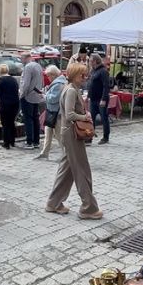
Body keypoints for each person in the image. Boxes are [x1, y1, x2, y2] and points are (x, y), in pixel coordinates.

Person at [45, 62, 102, 219]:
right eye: (82, 75)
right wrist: (85, 116)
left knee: (67, 170)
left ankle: (53, 202)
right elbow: (69, 115)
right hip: (71, 134)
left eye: (85, 74)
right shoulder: (70, 90)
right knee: (82, 170)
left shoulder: (71, 88)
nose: (85, 77)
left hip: (69, 133)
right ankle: (88, 207)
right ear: (74, 75)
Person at [36, 65, 66, 160]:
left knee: (58, 135)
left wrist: (44, 95)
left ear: (53, 75)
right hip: (52, 112)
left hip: (56, 113)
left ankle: (66, 154)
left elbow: (53, 99)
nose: (48, 78)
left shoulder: (58, 84)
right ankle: (44, 153)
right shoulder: (57, 83)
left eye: (48, 75)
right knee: (48, 133)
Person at [19, 52, 45, 149]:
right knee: (35, 118)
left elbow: (25, 83)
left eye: (21, 58)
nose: (21, 60)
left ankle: (29, 141)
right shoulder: (38, 66)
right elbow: (41, 81)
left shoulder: (28, 67)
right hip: (36, 95)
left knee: (28, 119)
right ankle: (36, 141)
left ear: (26, 58)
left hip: (28, 96)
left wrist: (22, 95)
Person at [87, 54, 111, 145]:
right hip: (93, 99)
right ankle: (89, 137)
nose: (89, 62)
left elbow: (106, 86)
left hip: (101, 98)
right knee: (91, 119)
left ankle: (105, 137)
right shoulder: (93, 71)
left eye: (91, 60)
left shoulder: (103, 71)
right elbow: (91, 84)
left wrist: (104, 99)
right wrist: (88, 96)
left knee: (104, 118)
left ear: (95, 61)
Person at [0, 62, 21, 149]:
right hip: (15, 103)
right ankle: (12, 141)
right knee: (11, 122)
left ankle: (6, 143)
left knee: (5, 123)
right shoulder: (13, 79)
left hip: (5, 104)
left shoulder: (1, 80)